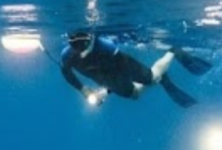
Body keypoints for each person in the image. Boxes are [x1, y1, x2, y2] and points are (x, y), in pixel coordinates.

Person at [60, 31, 208, 109]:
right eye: (75, 47)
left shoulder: (104, 45)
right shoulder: (67, 55)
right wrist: (83, 89)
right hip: (103, 75)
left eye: (83, 46)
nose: (79, 50)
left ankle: (173, 51)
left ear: (89, 41)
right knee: (134, 95)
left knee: (152, 78)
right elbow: (66, 72)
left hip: (121, 65)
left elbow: (121, 64)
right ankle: (159, 79)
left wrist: (116, 86)